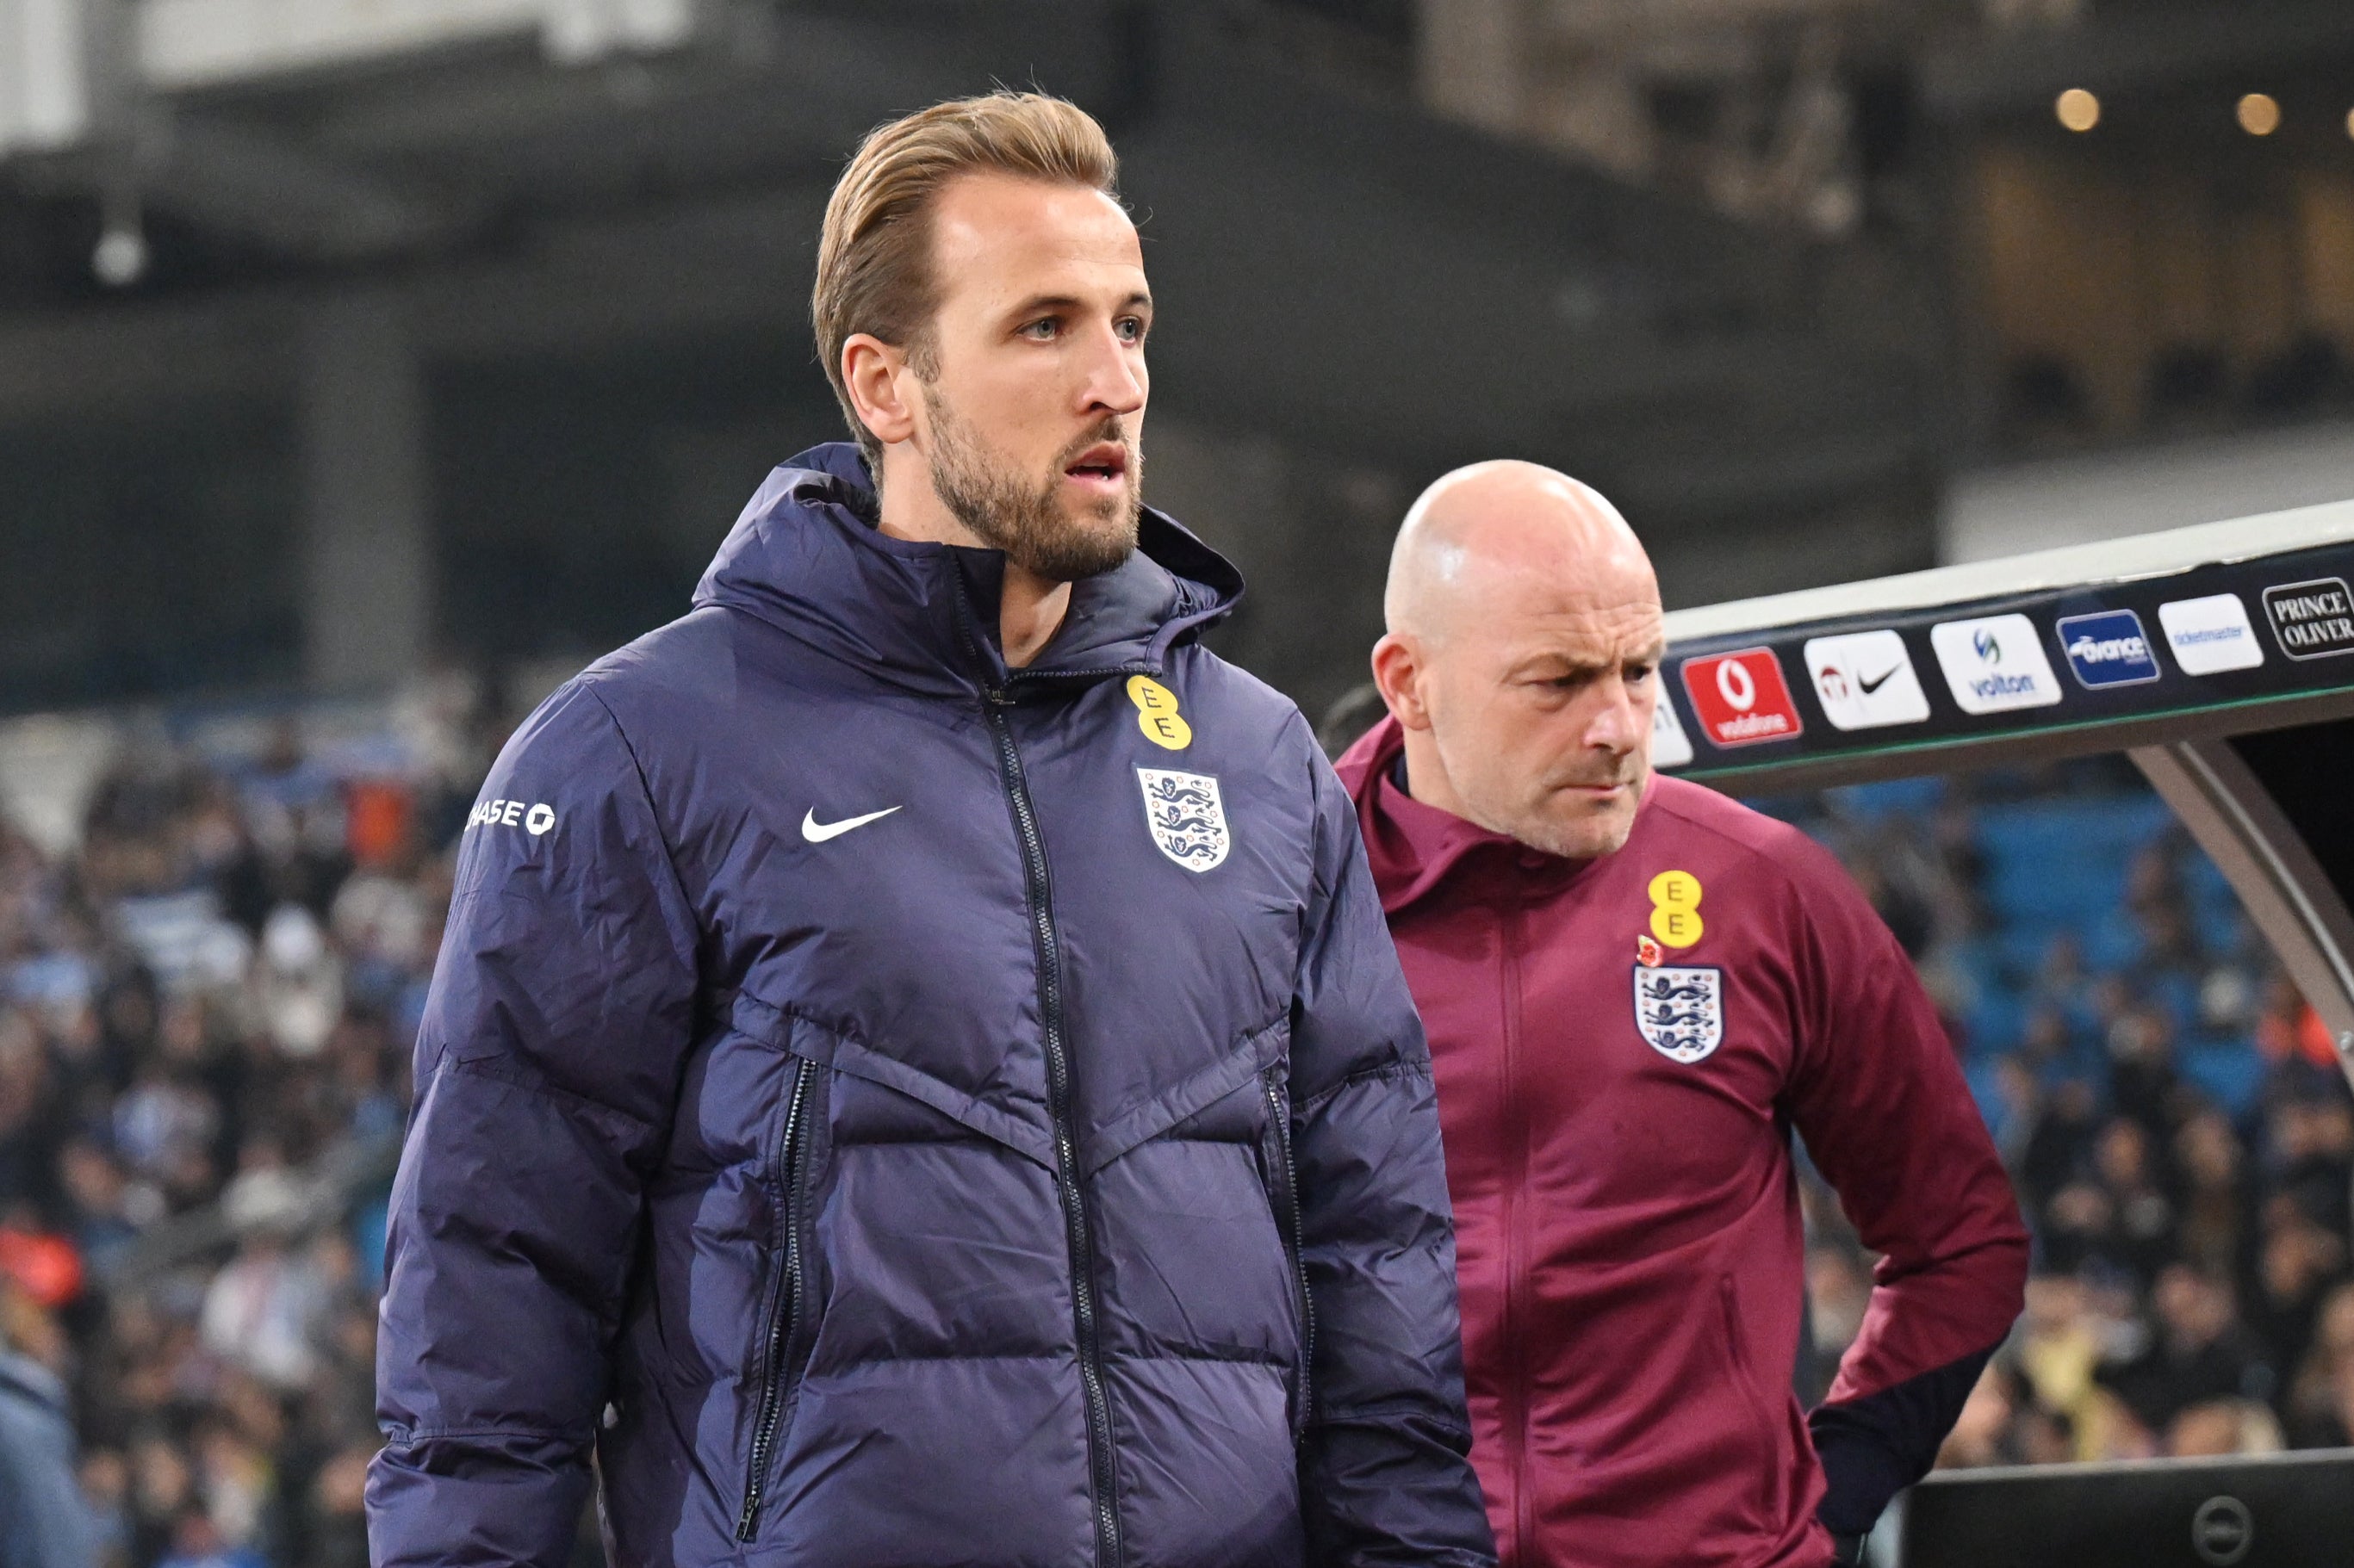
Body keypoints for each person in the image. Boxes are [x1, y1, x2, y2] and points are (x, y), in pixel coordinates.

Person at [368, 93, 1494, 1568]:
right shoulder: (635, 754)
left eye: (1130, 323)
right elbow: (489, 1290)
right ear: (886, 384)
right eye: (1044, 328)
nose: (1114, 381)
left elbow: (1377, 1270)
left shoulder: (1259, 762)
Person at [1334, 462, 2030, 1568]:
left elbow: (1960, 1238)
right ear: (1410, 683)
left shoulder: (1767, 890)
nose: (1616, 725)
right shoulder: (1281, 903)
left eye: (1638, 670)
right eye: (1557, 682)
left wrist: (1831, 1494)